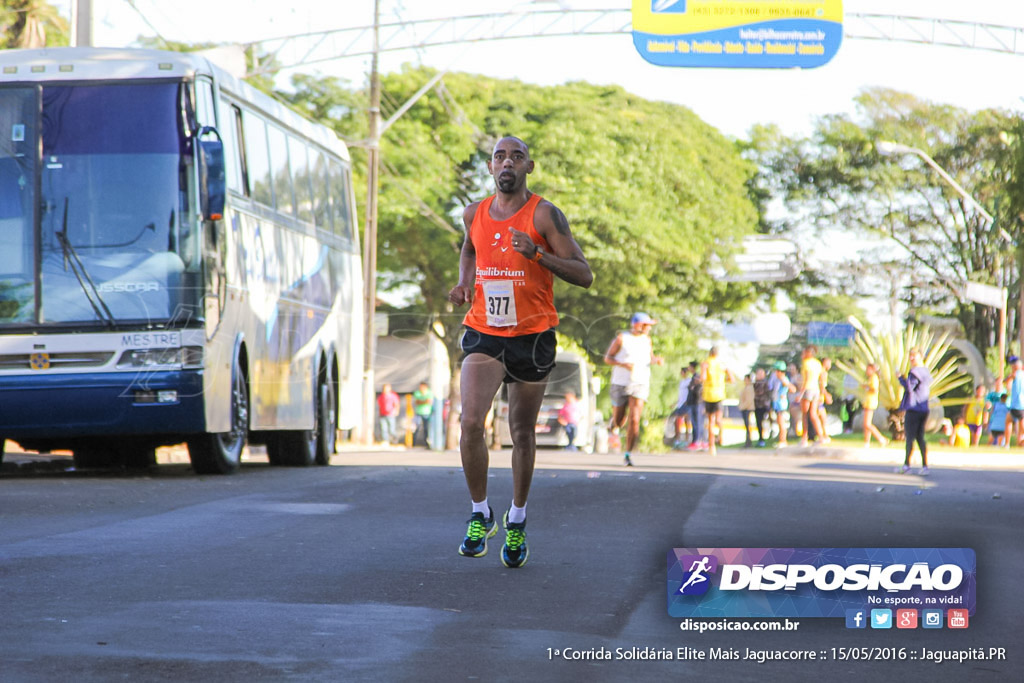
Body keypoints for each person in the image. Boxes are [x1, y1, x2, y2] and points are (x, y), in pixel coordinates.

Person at [447, 135, 593, 568]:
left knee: (522, 432)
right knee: (471, 421)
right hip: (484, 331)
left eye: (517, 156)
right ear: (490, 168)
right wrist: (464, 283)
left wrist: (539, 256)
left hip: (532, 335)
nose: (507, 162)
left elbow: (584, 274)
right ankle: (480, 513)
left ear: (530, 167)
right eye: (499, 156)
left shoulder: (545, 214)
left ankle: (517, 518)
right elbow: (471, 246)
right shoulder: (474, 212)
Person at [605, 312, 664, 466]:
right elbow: (608, 358)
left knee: (635, 418)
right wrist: (623, 364)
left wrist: (656, 360)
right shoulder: (622, 338)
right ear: (638, 325)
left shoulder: (647, 340)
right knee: (619, 419)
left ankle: (628, 454)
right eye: (647, 325)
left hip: (640, 382)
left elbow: (649, 357)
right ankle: (614, 424)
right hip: (620, 382)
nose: (649, 329)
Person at [898, 347, 932, 474]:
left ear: (920, 356)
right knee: (920, 437)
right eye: (910, 356)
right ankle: (924, 466)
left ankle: (906, 465)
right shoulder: (926, 371)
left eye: (914, 356)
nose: (911, 358)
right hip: (923, 409)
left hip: (914, 408)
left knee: (910, 437)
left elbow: (909, 387)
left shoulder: (915, 372)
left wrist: (900, 378)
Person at [702, 346, 735, 456]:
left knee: (711, 421)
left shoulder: (706, 363)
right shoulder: (722, 364)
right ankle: (721, 436)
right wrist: (722, 380)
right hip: (719, 394)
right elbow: (732, 379)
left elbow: (703, 377)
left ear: (709, 353)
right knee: (719, 419)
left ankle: (712, 446)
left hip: (708, 394)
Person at [799, 345, 828, 447]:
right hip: (815, 389)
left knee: (805, 414)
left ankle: (804, 437)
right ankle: (821, 436)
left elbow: (806, 379)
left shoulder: (806, 363)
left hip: (807, 389)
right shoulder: (817, 363)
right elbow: (821, 378)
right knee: (813, 414)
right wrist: (822, 392)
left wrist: (800, 393)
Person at [861, 363, 889, 448]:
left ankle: (881, 439)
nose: (867, 371)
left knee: (867, 424)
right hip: (868, 402)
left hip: (870, 402)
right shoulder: (871, 378)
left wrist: (866, 387)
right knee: (866, 424)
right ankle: (866, 442)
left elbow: (874, 390)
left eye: (868, 369)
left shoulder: (874, 378)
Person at [768, 361, 794, 447]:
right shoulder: (777, 379)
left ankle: (783, 440)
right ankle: (781, 440)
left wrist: (784, 393)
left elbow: (792, 389)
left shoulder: (783, 378)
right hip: (777, 402)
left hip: (781, 403)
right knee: (779, 422)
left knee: (781, 422)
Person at [1003, 356, 1024, 447]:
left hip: (1017, 404)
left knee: (1009, 422)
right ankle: (1018, 443)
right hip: (1021, 404)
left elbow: (1006, 381)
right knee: (1019, 425)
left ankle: (1007, 444)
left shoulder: (1016, 374)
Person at [670, 366, 693, 448]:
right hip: (680, 404)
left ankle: (686, 440)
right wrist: (675, 403)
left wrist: (688, 402)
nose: (680, 373)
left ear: (685, 372)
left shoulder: (689, 381)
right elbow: (681, 395)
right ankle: (678, 439)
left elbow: (690, 392)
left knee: (686, 421)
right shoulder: (682, 382)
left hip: (686, 404)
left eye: (681, 372)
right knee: (678, 421)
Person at [752, 367, 771, 448]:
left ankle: (770, 435)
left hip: (765, 405)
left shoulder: (766, 383)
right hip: (757, 405)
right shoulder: (754, 383)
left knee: (767, 421)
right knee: (758, 422)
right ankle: (761, 439)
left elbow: (767, 393)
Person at [412, 381, 434, 448]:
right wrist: (424, 401)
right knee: (416, 427)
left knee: (426, 428)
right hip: (418, 412)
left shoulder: (429, 392)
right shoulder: (417, 393)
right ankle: (414, 442)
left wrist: (421, 401)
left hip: (427, 412)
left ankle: (426, 443)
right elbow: (417, 402)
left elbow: (429, 401)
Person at [738, 373, 755, 448]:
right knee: (746, 426)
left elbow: (749, 400)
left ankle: (749, 441)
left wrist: (742, 406)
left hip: (748, 409)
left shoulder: (749, 388)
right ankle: (747, 441)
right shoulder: (746, 387)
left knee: (748, 426)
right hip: (745, 409)